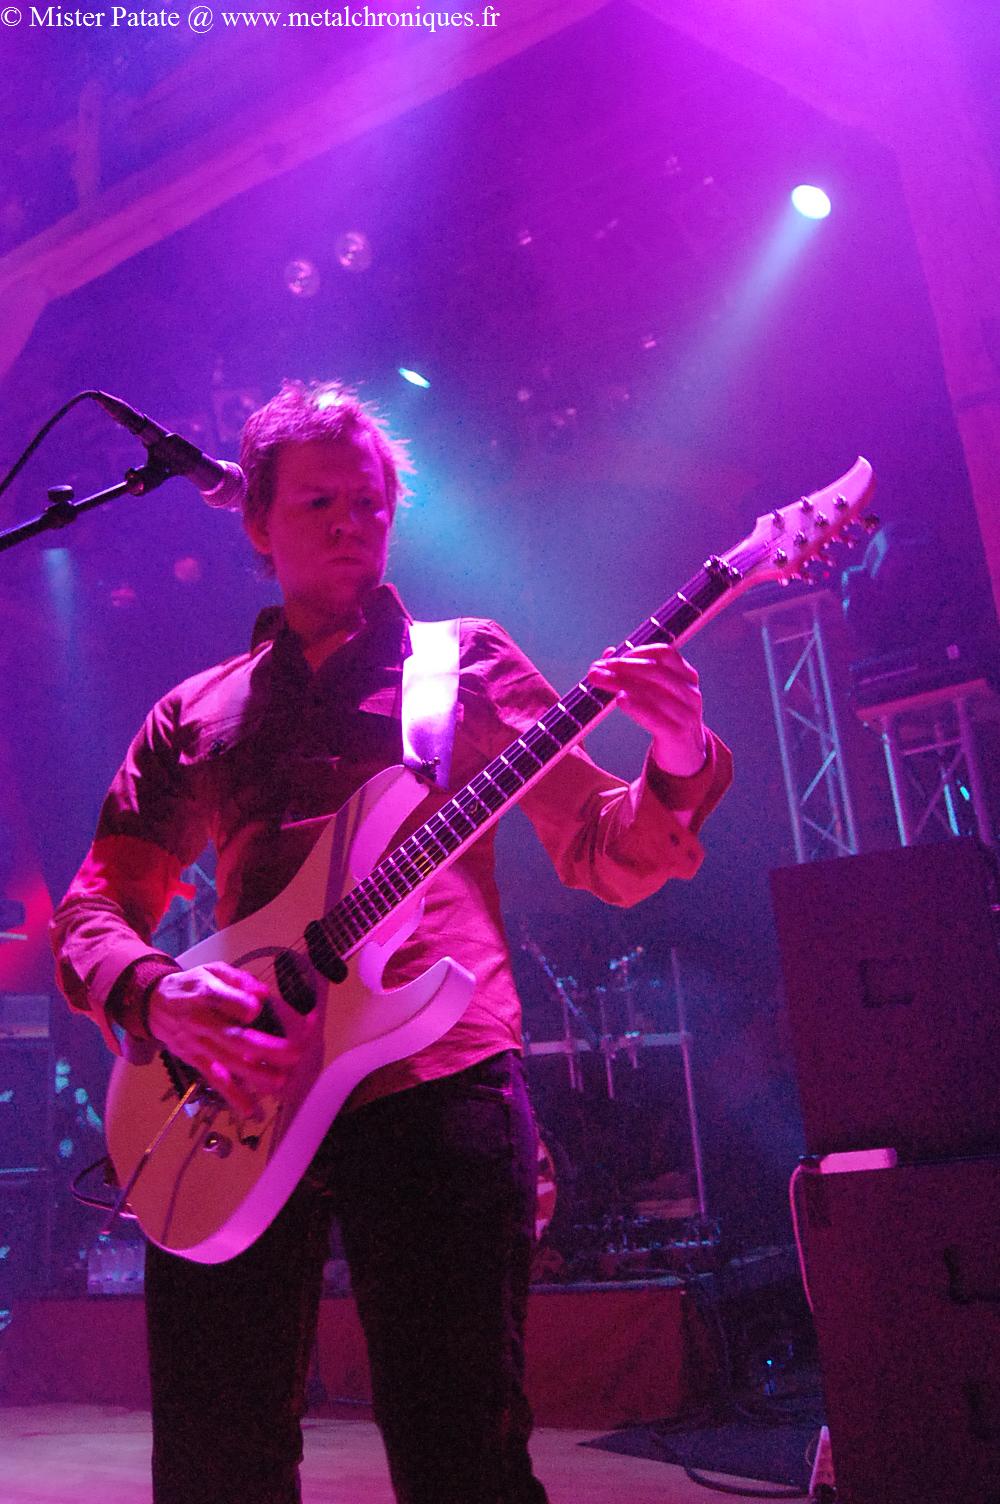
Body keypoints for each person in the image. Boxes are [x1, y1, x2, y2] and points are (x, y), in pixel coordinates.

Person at [50, 381, 732, 1504]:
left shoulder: (463, 666)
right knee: (216, 1460)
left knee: (461, 1455)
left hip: (438, 1078)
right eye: (318, 501)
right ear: (256, 520)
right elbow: (94, 908)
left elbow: (606, 847)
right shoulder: (196, 711)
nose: (351, 522)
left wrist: (677, 752)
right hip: (237, 1092)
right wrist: (157, 994)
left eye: (369, 501)